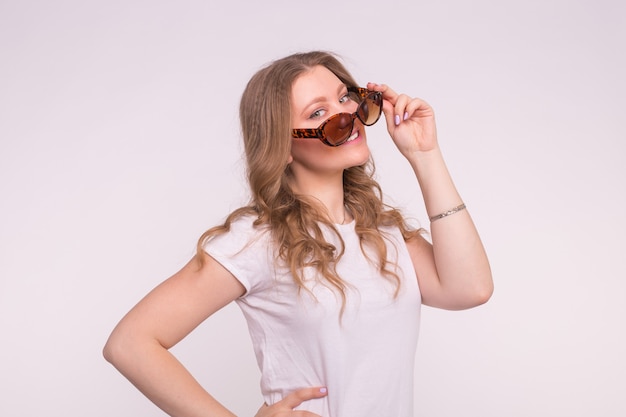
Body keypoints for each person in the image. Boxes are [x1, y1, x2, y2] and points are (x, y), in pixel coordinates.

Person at [103, 50, 493, 417]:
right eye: (319, 111)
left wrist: (425, 155)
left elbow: (470, 289)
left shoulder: (383, 231)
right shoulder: (258, 240)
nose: (347, 115)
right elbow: (130, 343)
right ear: (284, 145)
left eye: (345, 98)